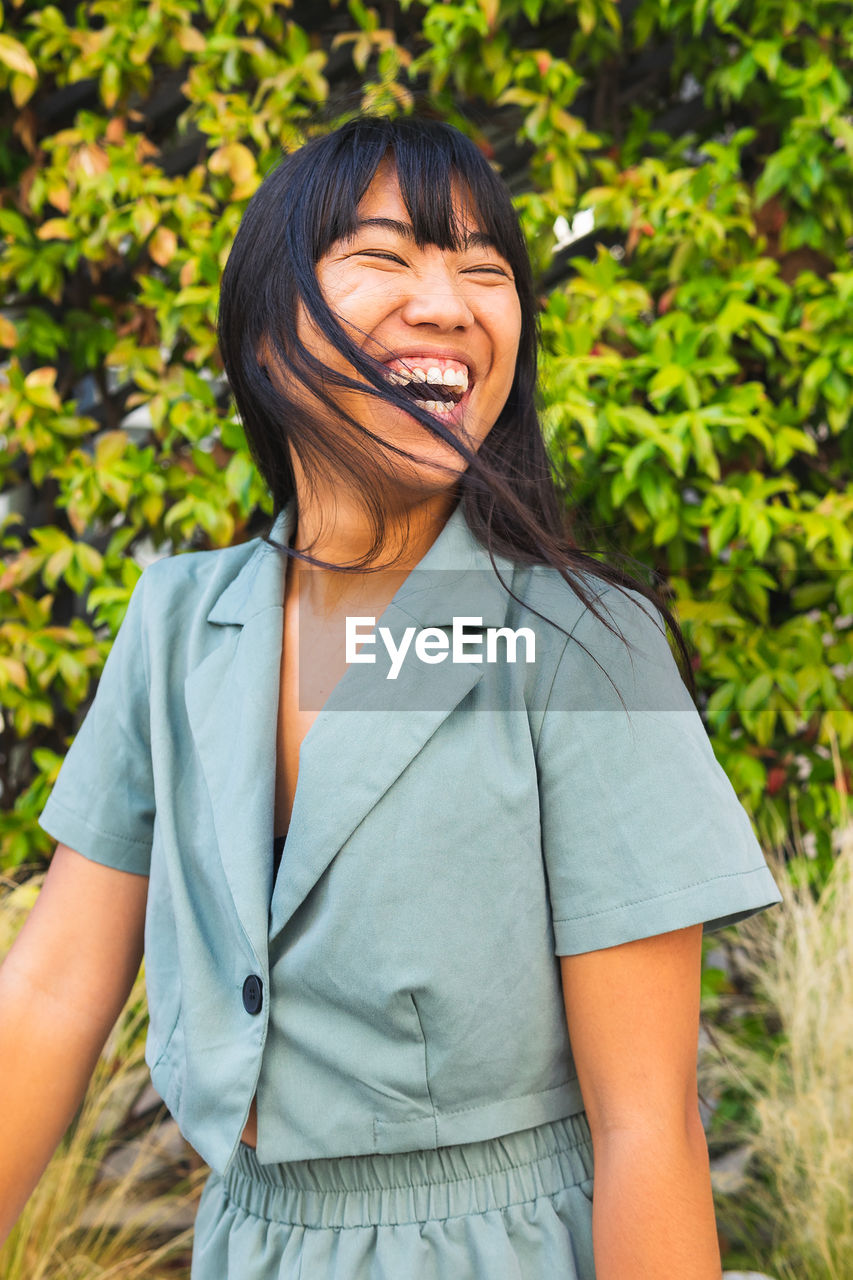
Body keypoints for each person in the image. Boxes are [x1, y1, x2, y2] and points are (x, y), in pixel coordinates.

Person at [0, 115, 782, 1279]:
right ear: (266, 336)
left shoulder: (574, 646)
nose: (451, 302)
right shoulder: (179, 627)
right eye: (385, 255)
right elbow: (54, 992)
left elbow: (646, 1119)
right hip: (250, 1243)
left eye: (485, 269)